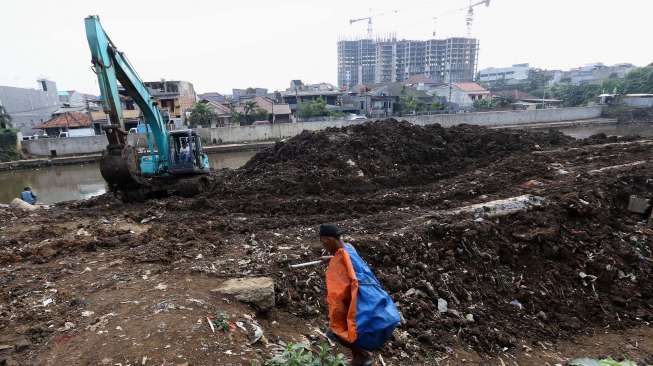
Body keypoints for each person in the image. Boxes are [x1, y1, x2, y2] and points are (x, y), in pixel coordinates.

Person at [319, 224, 400, 366]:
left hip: (363, 301)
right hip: (375, 300)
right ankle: (361, 357)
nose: (324, 246)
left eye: (323, 242)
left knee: (337, 331)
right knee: (344, 332)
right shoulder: (349, 248)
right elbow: (345, 255)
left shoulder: (341, 258)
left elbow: (339, 292)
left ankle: (363, 356)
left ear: (328, 240)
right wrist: (333, 258)